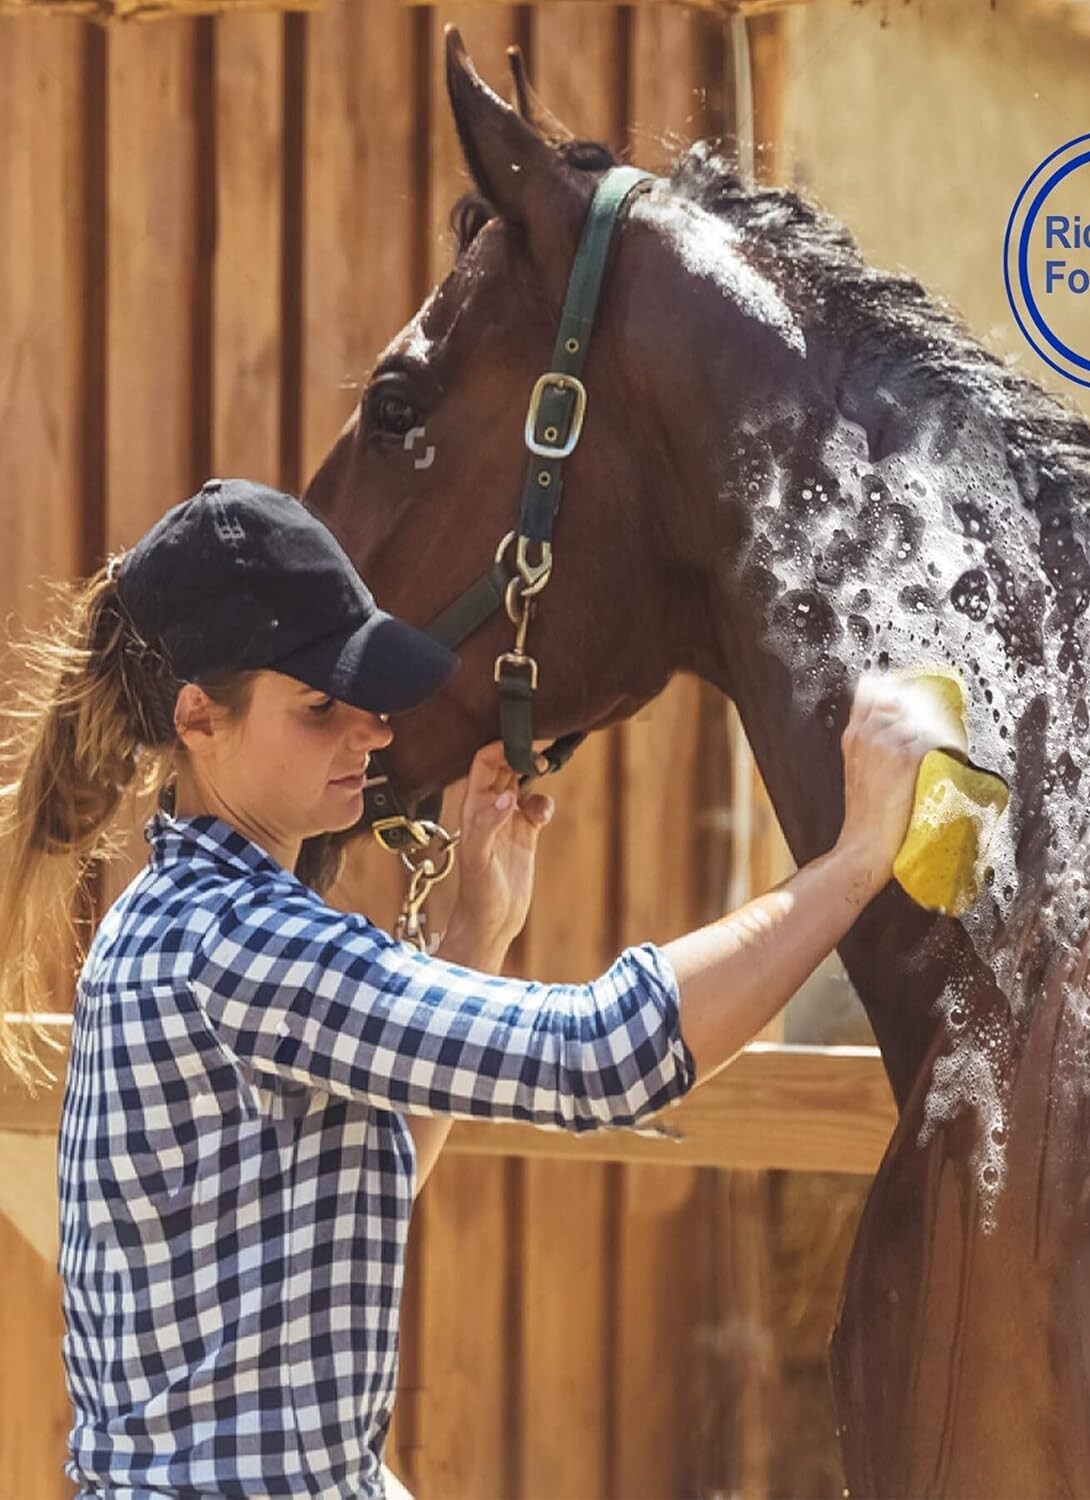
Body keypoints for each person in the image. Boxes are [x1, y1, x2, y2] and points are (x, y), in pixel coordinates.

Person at [0, 479, 938, 1499]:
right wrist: (852, 861)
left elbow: (342, 1197)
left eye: (364, 694)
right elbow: (601, 1056)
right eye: (320, 706)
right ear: (199, 717)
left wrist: (472, 935)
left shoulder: (167, 921)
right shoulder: (236, 942)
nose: (370, 731)